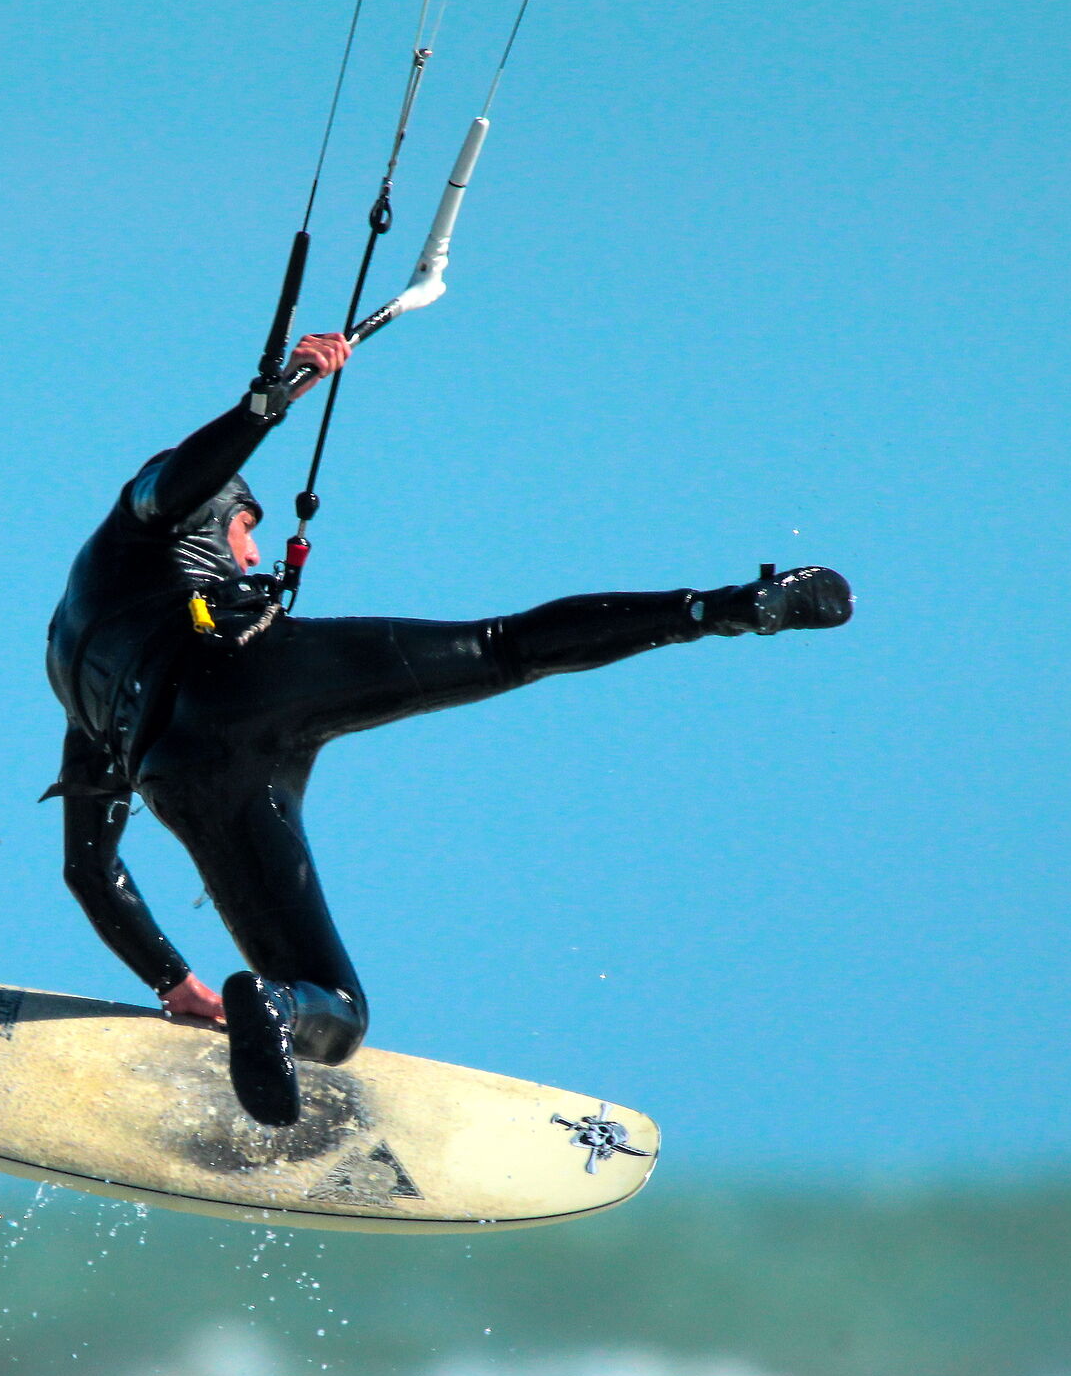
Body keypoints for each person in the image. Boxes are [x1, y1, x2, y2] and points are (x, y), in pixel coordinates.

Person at [45, 332, 852, 1126]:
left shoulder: (76, 679)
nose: (252, 558)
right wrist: (279, 394)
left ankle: (280, 1009)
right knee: (503, 647)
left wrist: (174, 982)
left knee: (340, 1011)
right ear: (217, 512)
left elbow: (88, 865)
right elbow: (180, 478)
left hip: (179, 775)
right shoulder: (145, 519)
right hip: (245, 678)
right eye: (248, 529)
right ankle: (722, 609)